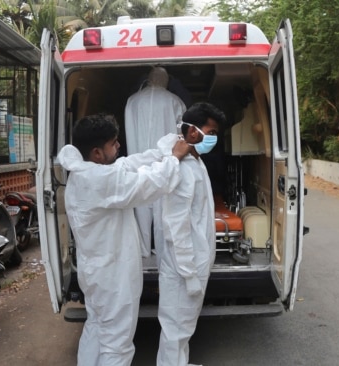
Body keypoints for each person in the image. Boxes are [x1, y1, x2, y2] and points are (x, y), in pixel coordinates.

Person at [56, 113, 191, 366]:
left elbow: (128, 164)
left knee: (97, 329)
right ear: (97, 152)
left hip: (96, 273)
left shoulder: (85, 170)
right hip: (112, 278)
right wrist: (174, 159)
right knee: (116, 345)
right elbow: (149, 184)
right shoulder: (98, 180)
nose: (119, 146)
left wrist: (160, 152)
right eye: (113, 143)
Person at [155, 102, 226, 366]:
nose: (215, 138)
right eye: (212, 131)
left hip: (193, 263)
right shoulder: (183, 169)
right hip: (184, 268)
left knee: (183, 327)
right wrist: (188, 272)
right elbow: (176, 225)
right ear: (194, 133)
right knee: (175, 329)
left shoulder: (195, 162)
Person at [125, 66, 187, 257]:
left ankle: (143, 251)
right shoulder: (175, 101)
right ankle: (162, 253)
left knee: (141, 208)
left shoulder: (132, 101)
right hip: (164, 164)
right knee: (163, 211)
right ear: (165, 81)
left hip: (137, 165)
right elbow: (182, 134)